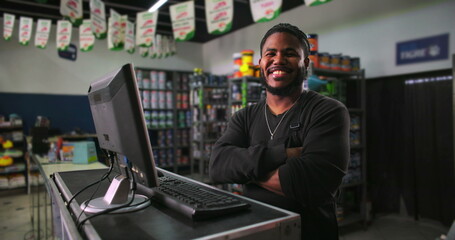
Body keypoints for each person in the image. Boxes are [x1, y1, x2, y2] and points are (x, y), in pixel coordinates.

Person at [209, 23, 350, 239]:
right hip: (254, 232)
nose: (278, 60)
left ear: (305, 63)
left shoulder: (327, 111)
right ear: (261, 63)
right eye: (271, 53)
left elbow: (315, 184)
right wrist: (285, 154)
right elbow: (218, 166)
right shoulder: (244, 117)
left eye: (290, 53)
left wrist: (245, 170)